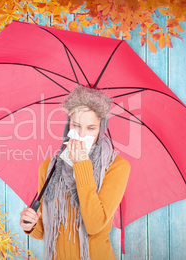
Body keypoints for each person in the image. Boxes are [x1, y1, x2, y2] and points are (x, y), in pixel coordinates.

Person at [19, 86, 130, 260]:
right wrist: (30, 225)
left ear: (101, 129)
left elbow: (94, 225)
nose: (81, 134)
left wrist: (82, 166)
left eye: (91, 128)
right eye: (76, 125)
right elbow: (45, 232)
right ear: (68, 125)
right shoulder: (50, 167)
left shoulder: (116, 167)